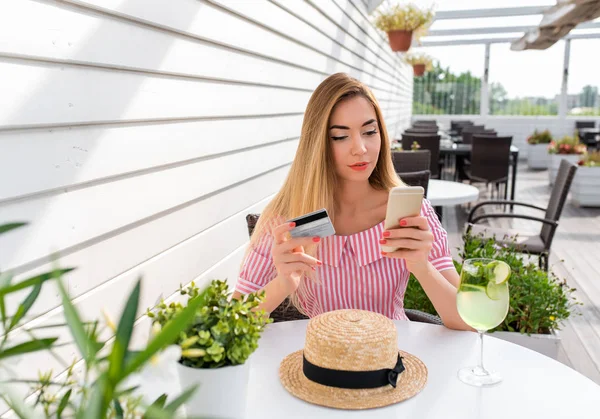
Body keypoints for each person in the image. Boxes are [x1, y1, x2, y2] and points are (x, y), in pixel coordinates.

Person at [232, 73, 470, 330]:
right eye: (340, 136)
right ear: (318, 144)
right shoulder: (288, 219)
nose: (360, 148)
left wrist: (422, 268)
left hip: (395, 359)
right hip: (322, 361)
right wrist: (282, 284)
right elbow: (231, 324)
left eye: (369, 131)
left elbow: (468, 321)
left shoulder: (410, 213)